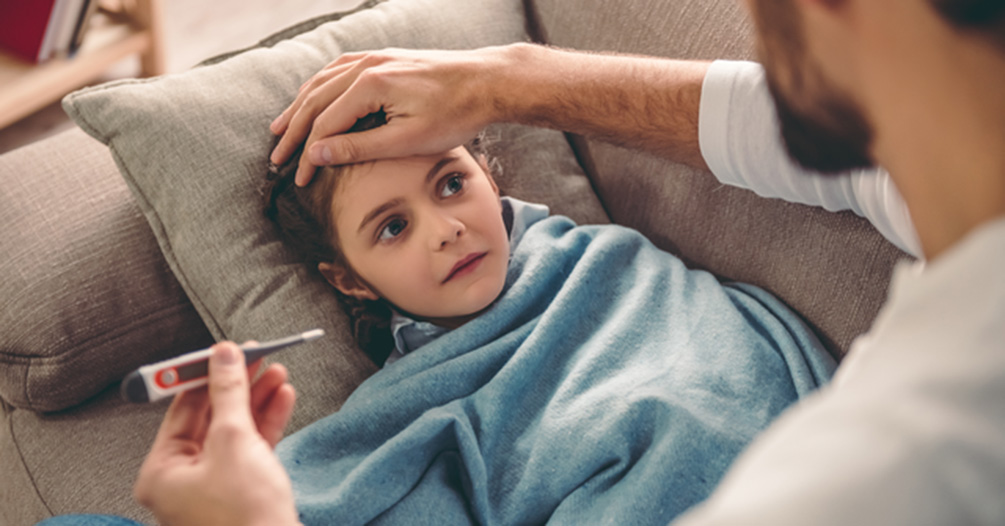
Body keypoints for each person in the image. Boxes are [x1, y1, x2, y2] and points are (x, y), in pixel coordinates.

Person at [44, 0, 1005, 523]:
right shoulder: (932, 192)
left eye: (453, 185)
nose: (446, 227)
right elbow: (798, 139)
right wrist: (513, 76)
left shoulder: (898, 471)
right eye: (388, 228)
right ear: (343, 278)